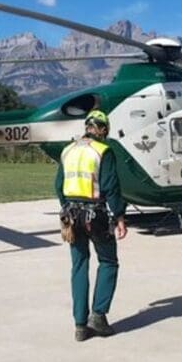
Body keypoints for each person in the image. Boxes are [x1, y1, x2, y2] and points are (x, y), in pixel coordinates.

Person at [55, 109, 128, 342]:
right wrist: (119, 216)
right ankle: (98, 315)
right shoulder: (102, 151)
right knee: (108, 261)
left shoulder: (68, 150)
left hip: (71, 215)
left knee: (79, 265)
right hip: (95, 215)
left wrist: (67, 208)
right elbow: (110, 186)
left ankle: (79, 325)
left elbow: (59, 185)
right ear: (103, 129)